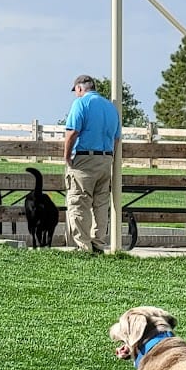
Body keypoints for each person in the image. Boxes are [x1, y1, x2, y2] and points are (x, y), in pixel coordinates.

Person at [62, 74, 120, 253]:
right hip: (106, 158)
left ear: (80, 88)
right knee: (101, 204)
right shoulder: (111, 107)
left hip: (85, 158)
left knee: (79, 201)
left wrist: (67, 156)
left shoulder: (80, 104)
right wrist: (111, 157)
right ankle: (98, 244)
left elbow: (72, 132)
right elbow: (116, 139)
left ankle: (83, 245)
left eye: (76, 91)